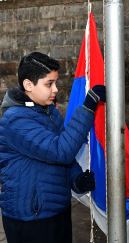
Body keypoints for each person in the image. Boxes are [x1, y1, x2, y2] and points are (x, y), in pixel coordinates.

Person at [0, 52, 105, 243]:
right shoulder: (15, 120)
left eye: (55, 83)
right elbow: (60, 151)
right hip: (31, 218)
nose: (55, 89)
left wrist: (76, 179)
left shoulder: (48, 112)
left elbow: (63, 154)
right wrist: (88, 106)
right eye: (49, 84)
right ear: (28, 85)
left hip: (56, 209)